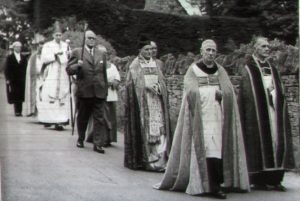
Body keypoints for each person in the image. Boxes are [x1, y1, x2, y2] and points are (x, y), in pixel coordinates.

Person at [154, 39, 250, 199]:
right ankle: (201, 183)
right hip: (199, 116)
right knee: (203, 148)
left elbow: (229, 91)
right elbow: (190, 91)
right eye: (208, 50)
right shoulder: (193, 70)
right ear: (201, 51)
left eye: (214, 51)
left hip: (217, 116)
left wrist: (223, 95)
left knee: (216, 148)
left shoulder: (221, 70)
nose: (211, 53)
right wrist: (211, 93)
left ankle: (216, 185)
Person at [239, 36, 295, 191]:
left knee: (276, 141)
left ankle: (276, 179)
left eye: (268, 46)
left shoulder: (272, 67)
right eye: (263, 46)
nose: (267, 49)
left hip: (273, 111)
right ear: (255, 48)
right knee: (259, 141)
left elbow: (280, 88)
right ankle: (259, 180)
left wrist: (275, 94)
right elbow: (246, 93)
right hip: (257, 112)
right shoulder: (249, 69)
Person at [124, 37, 171, 171]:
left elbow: (163, 80)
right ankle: (149, 161)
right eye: (146, 49)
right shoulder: (135, 65)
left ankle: (161, 160)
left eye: (151, 49)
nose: (149, 52)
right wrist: (146, 87)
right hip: (143, 103)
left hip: (157, 100)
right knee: (147, 130)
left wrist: (159, 87)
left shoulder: (157, 64)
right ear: (140, 50)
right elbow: (130, 85)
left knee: (160, 129)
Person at [66, 30, 108, 154]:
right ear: (85, 39)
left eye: (93, 38)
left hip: (99, 91)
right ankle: (80, 138)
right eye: (89, 38)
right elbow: (68, 70)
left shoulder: (101, 54)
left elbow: (103, 73)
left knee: (99, 119)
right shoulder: (77, 52)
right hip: (84, 90)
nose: (91, 40)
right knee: (83, 117)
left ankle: (98, 144)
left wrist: (105, 89)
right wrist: (77, 66)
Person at [37, 22, 70, 130]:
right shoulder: (48, 45)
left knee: (62, 95)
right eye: (56, 35)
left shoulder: (66, 45)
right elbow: (44, 58)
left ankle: (61, 120)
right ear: (53, 35)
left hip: (63, 72)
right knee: (50, 93)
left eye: (60, 35)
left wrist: (67, 55)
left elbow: (70, 56)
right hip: (53, 70)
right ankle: (49, 119)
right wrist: (54, 55)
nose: (58, 37)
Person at [86, 46, 121, 147]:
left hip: (110, 95)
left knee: (110, 118)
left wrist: (114, 82)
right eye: (101, 53)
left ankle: (109, 138)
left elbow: (117, 78)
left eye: (105, 53)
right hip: (98, 95)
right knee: (101, 117)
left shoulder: (112, 66)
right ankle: (99, 138)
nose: (104, 55)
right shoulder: (93, 65)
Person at [4, 41, 28, 116]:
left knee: (20, 94)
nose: (18, 48)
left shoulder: (24, 57)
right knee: (15, 94)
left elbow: (26, 68)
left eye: (20, 47)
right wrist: (7, 79)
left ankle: (19, 111)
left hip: (21, 79)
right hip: (13, 78)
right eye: (17, 47)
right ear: (14, 48)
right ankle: (16, 111)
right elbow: (7, 69)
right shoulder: (10, 57)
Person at [24, 34, 45, 117]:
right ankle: (34, 111)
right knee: (36, 95)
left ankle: (43, 112)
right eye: (40, 47)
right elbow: (30, 68)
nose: (41, 49)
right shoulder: (33, 57)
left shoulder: (46, 56)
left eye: (42, 48)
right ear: (37, 48)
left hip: (44, 78)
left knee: (43, 95)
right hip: (36, 78)